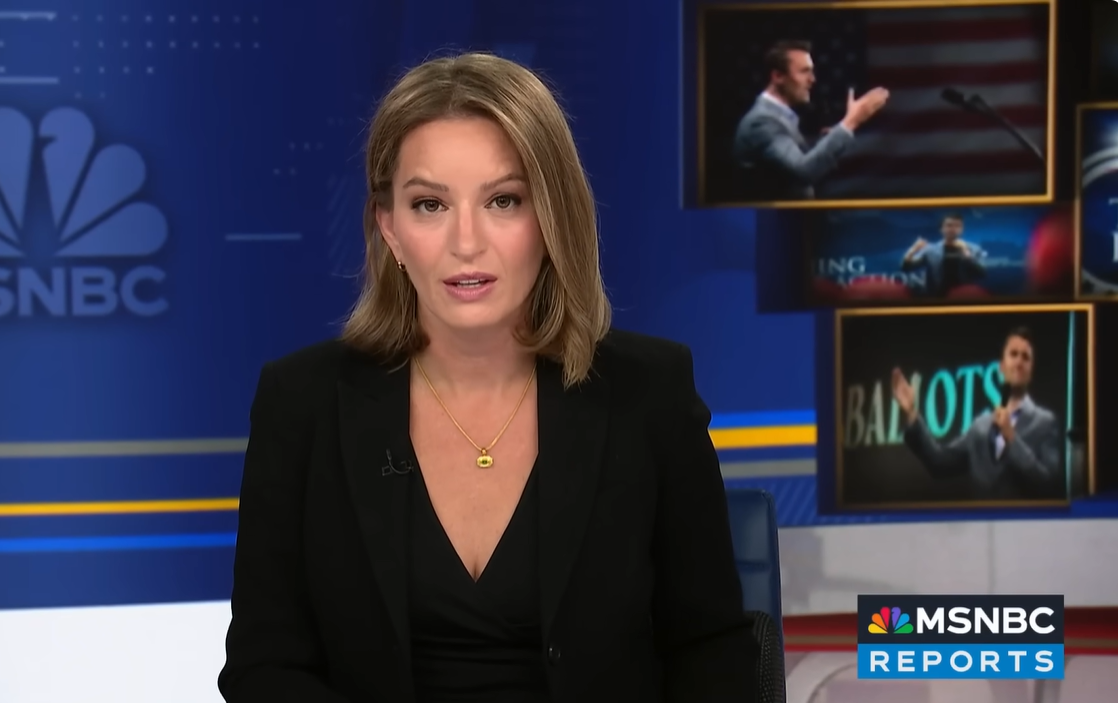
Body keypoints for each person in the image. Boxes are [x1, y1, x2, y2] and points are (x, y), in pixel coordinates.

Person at [217, 52, 758, 702]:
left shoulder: (651, 394)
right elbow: (264, 666)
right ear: (389, 227)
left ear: (551, 216)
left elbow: (711, 648)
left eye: (504, 200)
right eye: (429, 205)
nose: (466, 242)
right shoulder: (301, 403)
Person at [890, 327, 1064, 501]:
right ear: (1002, 367)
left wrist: (1012, 438)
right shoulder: (980, 426)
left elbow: (1048, 484)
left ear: (1031, 371)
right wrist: (911, 412)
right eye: (1013, 354)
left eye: (1025, 357)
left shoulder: (1046, 423)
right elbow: (939, 463)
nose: (1019, 361)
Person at [732, 40, 889, 201]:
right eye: (804, 72)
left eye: (811, 71)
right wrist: (851, 121)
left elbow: (792, 164)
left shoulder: (777, 117)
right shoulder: (762, 122)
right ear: (778, 76)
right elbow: (804, 171)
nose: (812, 79)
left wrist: (827, 139)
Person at [900, 213, 987, 297]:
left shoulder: (974, 249)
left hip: (964, 297)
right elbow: (906, 267)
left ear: (962, 229)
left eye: (958, 226)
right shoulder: (931, 250)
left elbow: (981, 273)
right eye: (949, 225)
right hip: (936, 298)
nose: (953, 229)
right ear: (941, 229)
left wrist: (966, 251)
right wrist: (913, 250)